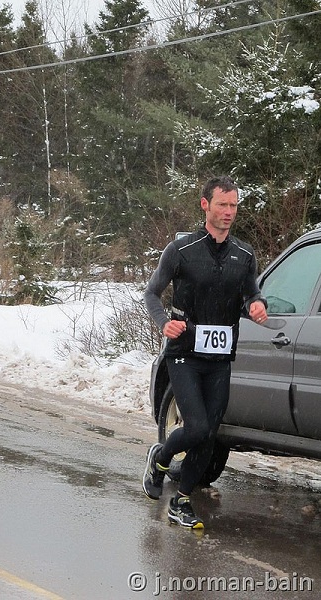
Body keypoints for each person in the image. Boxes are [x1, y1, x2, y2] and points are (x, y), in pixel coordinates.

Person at [142, 176, 268, 529]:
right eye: (222, 205)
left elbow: (250, 295)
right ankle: (161, 456)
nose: (229, 212)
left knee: (209, 434)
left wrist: (256, 305)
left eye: (234, 205)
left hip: (220, 358)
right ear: (205, 205)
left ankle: (181, 500)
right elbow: (151, 293)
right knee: (196, 426)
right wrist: (164, 323)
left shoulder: (244, 255)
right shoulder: (181, 250)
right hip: (184, 354)